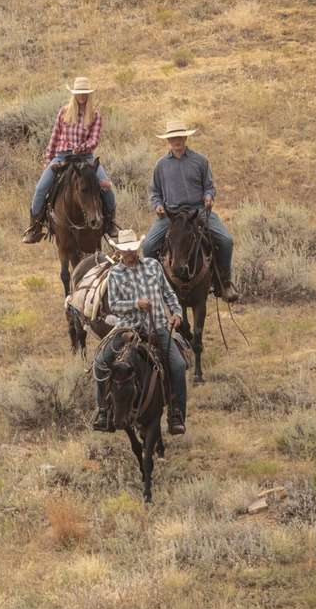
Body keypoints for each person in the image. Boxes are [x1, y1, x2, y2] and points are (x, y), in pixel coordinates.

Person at [93, 229, 188, 436]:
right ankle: (103, 411)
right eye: (125, 251)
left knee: (178, 366)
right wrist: (136, 304)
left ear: (138, 249)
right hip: (127, 328)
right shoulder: (115, 274)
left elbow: (168, 293)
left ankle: (176, 413)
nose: (129, 254)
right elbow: (114, 305)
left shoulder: (154, 266)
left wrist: (177, 313)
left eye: (133, 250)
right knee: (101, 363)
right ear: (119, 251)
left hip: (158, 326)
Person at [139, 119, 240, 302]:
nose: (176, 141)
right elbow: (154, 192)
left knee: (226, 241)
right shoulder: (160, 165)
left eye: (179, 137)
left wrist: (209, 197)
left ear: (185, 138)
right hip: (171, 214)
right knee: (148, 246)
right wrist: (158, 206)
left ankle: (223, 283)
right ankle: (154, 287)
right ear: (168, 141)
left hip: (197, 211)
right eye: (173, 138)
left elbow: (209, 186)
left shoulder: (200, 161)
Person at [21, 77, 117, 243]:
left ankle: (109, 223)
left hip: (85, 158)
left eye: (84, 93)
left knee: (106, 187)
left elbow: (94, 140)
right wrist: (48, 159)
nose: (81, 96)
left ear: (88, 95)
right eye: (79, 93)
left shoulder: (95, 115)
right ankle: (35, 226)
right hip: (62, 156)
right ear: (74, 94)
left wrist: (83, 146)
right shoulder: (64, 112)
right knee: (41, 188)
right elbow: (55, 137)